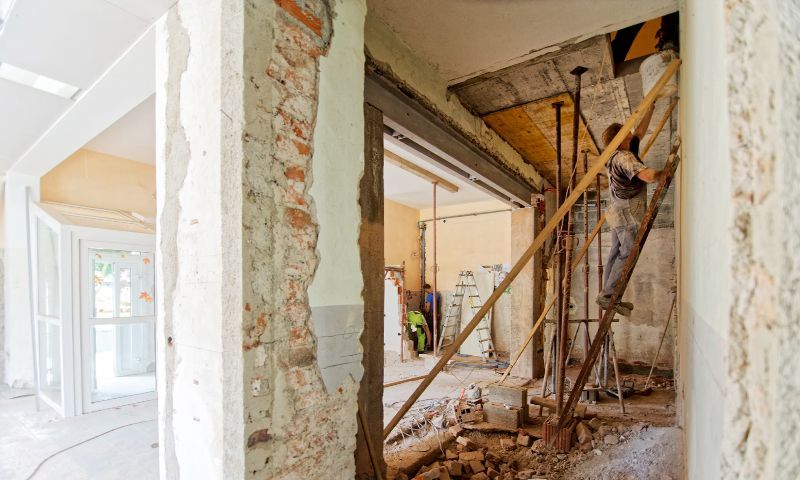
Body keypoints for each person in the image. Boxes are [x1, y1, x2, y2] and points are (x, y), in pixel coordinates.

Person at [597, 104, 667, 315]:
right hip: (627, 211)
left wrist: (652, 107)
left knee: (615, 253)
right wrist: (665, 172)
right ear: (621, 138)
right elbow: (647, 176)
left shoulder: (621, 151)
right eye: (626, 131)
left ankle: (607, 295)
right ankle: (609, 296)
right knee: (627, 254)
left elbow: (639, 132)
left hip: (616, 210)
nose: (630, 132)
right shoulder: (624, 157)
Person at [422, 283, 441, 350]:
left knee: (429, 330)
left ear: (426, 289)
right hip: (438, 315)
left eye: (425, 290)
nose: (425, 292)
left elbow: (428, 309)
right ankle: (437, 346)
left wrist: (424, 309)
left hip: (431, 316)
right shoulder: (438, 295)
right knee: (436, 330)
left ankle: (430, 346)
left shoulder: (429, 296)